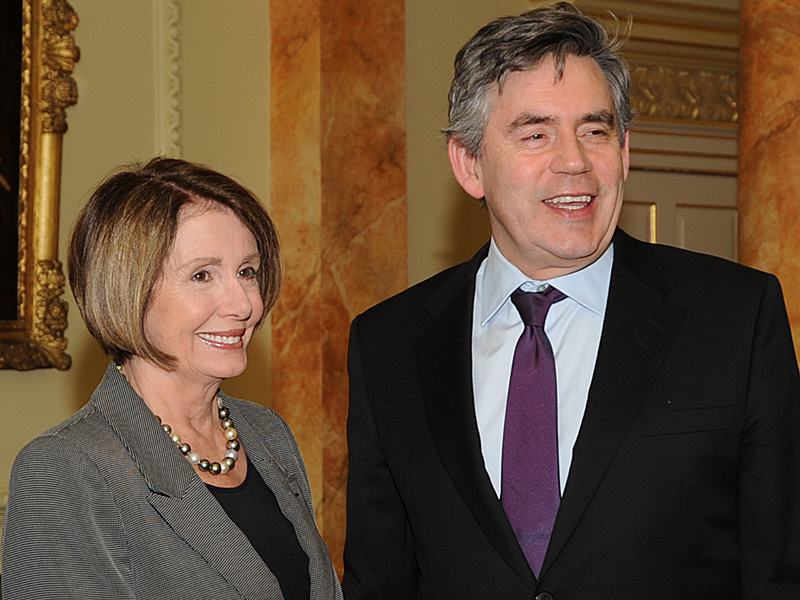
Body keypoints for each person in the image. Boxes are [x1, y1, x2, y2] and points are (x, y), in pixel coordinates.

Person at [343, 4, 800, 600]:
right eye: (536, 134)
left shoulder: (734, 318)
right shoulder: (389, 344)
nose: (574, 162)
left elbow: (781, 571)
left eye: (595, 130)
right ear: (470, 162)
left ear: (625, 150)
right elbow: (379, 582)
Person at [1, 158, 343, 600]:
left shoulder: (266, 433)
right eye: (202, 275)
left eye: (247, 271)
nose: (242, 303)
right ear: (127, 290)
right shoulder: (65, 469)